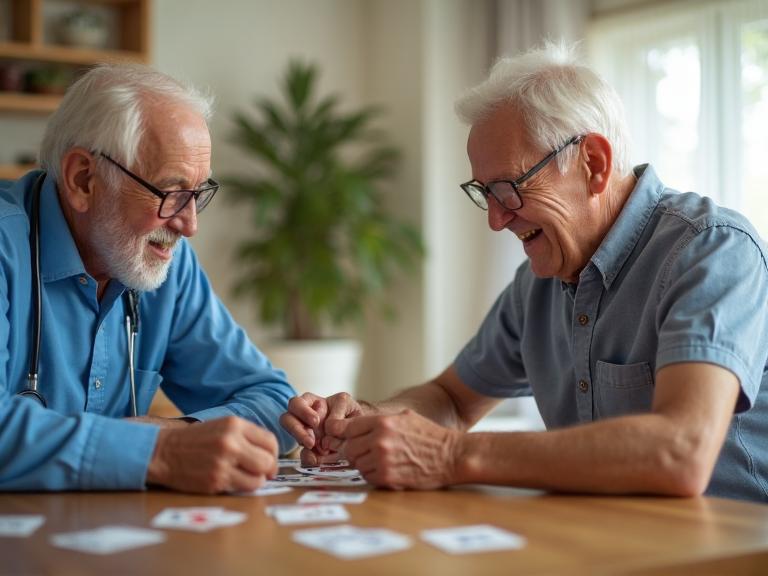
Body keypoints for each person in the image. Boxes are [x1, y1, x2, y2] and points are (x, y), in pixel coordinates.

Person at [281, 42, 768, 502]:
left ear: (593, 164)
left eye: (508, 188)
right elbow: (451, 400)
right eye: (484, 193)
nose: (496, 219)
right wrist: (367, 423)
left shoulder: (712, 250)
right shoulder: (537, 283)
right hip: (611, 545)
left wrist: (450, 456)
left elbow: (681, 451)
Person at [0, 63, 296, 494]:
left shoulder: (164, 262)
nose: (189, 225)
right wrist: (158, 450)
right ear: (83, 179)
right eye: (171, 192)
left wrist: (179, 434)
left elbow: (274, 402)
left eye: (197, 194)